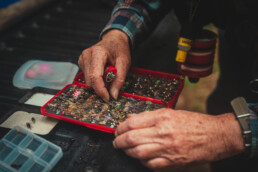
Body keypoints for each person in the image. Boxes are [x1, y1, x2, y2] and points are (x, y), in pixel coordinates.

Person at [78, 0, 258, 171]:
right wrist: (117, 35)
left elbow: (234, 132)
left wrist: (229, 134)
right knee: (227, 100)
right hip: (243, 30)